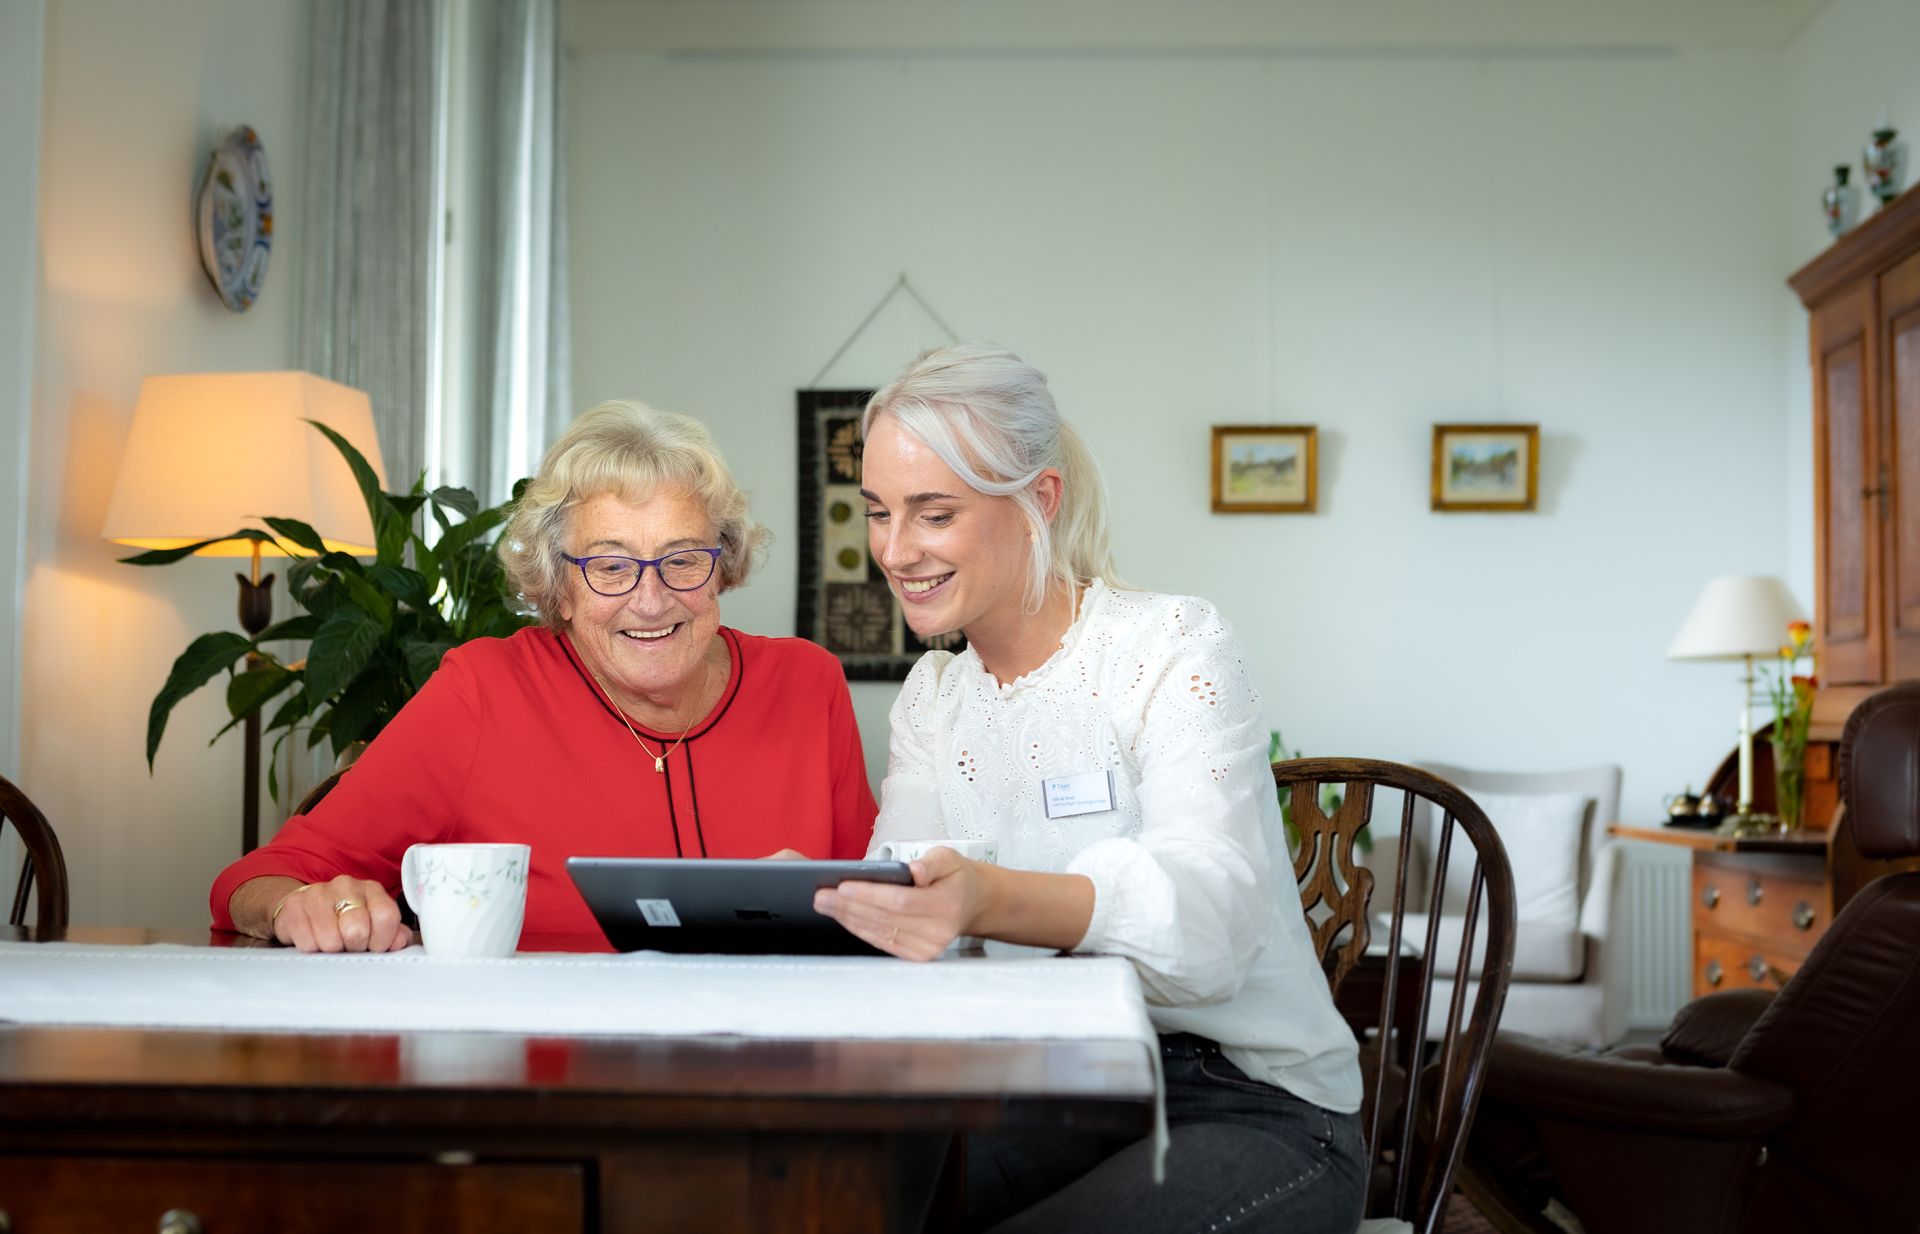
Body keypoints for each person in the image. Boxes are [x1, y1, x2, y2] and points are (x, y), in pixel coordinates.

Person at [810, 344, 1366, 1233]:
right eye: (877, 512)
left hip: (1248, 1099)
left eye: (934, 513)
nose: (894, 549)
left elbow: (1211, 925)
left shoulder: (1172, 648)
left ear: (1040, 499)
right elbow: (908, 913)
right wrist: (808, 901)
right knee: (825, 1203)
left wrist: (988, 898)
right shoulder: (933, 702)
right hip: (1049, 1089)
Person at [212, 401, 877, 952]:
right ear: (559, 588)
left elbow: (881, 912)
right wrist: (300, 907)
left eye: (682, 560)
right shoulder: (484, 692)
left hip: (773, 1079)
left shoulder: (804, 685)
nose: (651, 600)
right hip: (550, 1087)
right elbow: (259, 879)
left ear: (723, 569)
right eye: (610, 567)